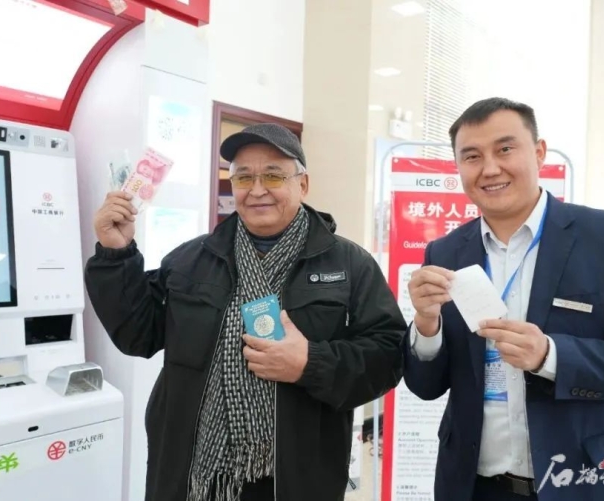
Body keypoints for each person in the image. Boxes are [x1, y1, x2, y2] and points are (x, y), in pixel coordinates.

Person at [84, 123, 406, 501]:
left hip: (296, 479)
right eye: (243, 177)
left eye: (273, 175)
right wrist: (116, 254)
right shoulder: (191, 259)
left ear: (303, 184)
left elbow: (388, 354)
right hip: (193, 476)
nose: (257, 190)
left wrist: (311, 362)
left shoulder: (349, 264)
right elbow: (137, 335)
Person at [403, 98, 604, 501]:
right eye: (472, 156)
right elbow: (426, 386)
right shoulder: (445, 252)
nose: (490, 168)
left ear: (539, 152)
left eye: (505, 149)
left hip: (582, 482)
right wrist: (426, 324)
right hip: (472, 486)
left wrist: (550, 356)